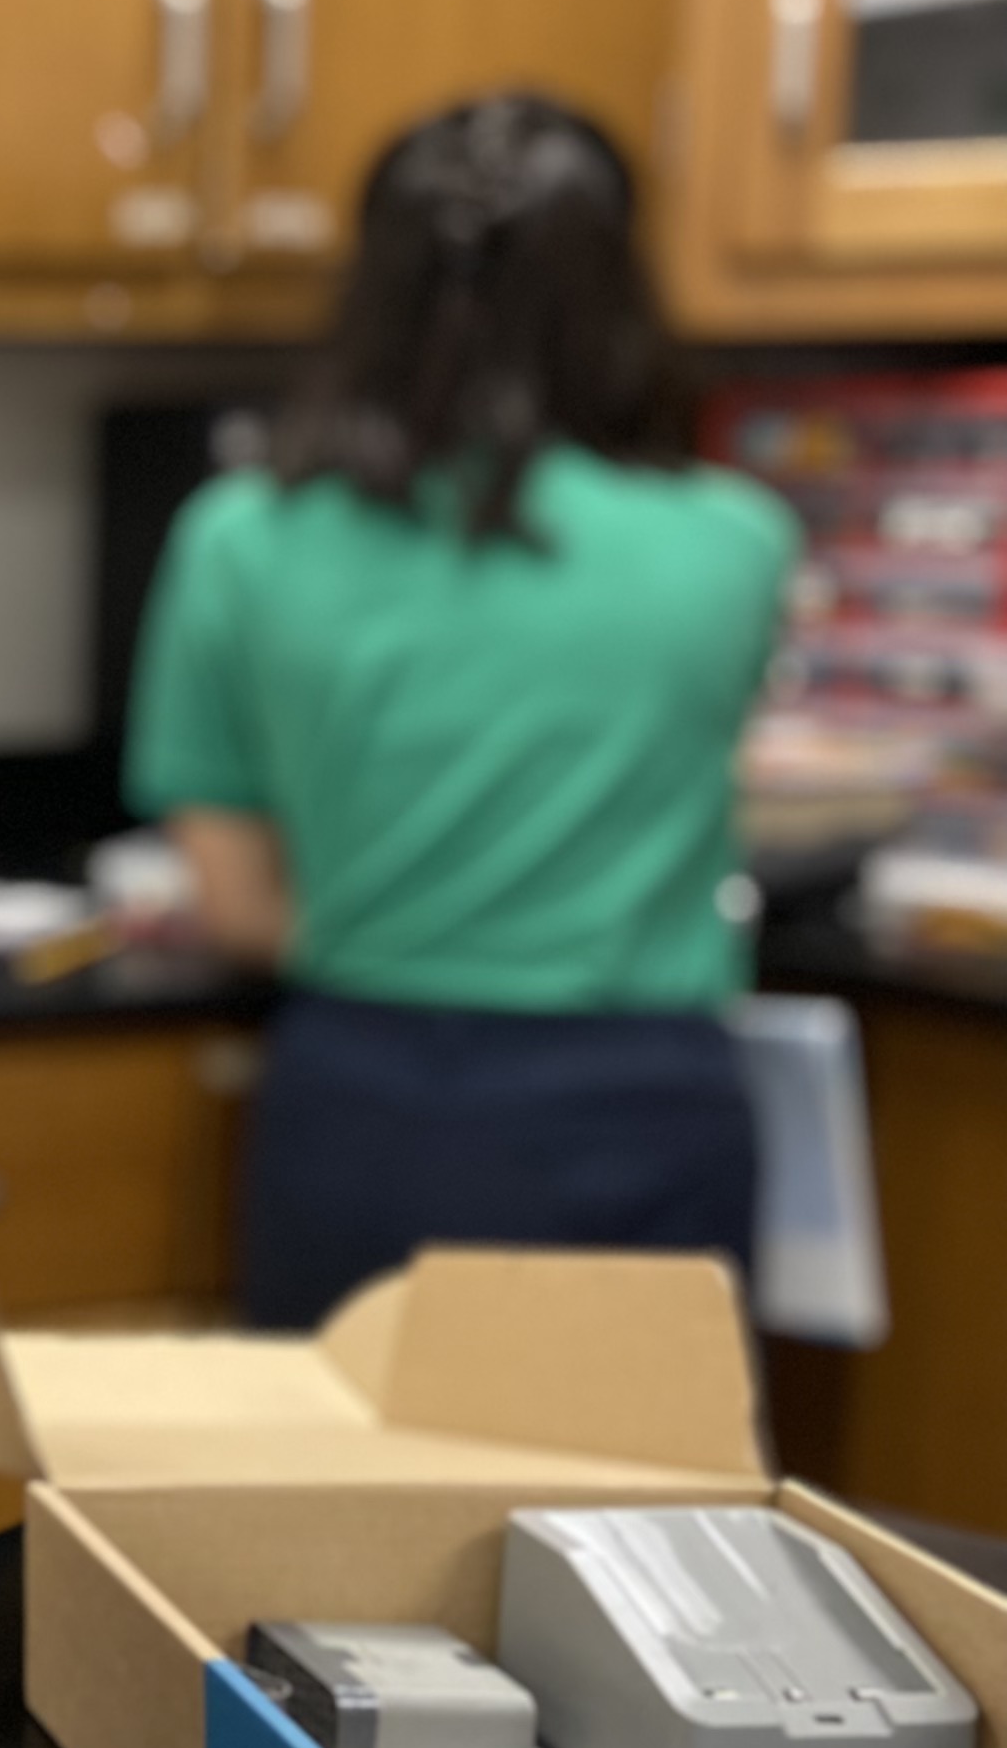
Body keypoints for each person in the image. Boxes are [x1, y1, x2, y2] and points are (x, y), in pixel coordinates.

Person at [130, 92, 796, 1329]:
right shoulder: (736, 542)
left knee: (341, 1512)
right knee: (638, 1515)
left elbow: (238, 905)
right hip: (641, 1106)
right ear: (619, 290)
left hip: (363, 1109)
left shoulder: (239, 540)